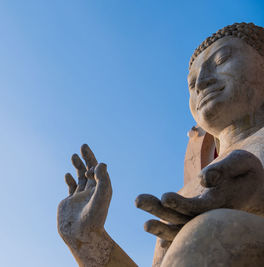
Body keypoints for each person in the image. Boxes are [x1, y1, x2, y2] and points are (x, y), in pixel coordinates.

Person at [57, 22, 264, 267]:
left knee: (209, 232)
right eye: (191, 83)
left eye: (221, 60)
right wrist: (89, 240)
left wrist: (256, 194)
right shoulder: (183, 198)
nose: (201, 84)